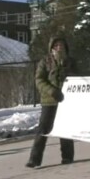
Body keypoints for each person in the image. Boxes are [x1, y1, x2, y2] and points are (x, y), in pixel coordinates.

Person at [25, 37, 75, 168]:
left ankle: (67, 157)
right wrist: (52, 91)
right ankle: (34, 159)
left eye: (61, 45)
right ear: (52, 47)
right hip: (49, 101)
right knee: (42, 130)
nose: (59, 48)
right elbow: (39, 80)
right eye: (56, 45)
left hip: (66, 101)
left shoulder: (70, 62)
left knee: (65, 130)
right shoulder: (45, 62)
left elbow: (78, 78)